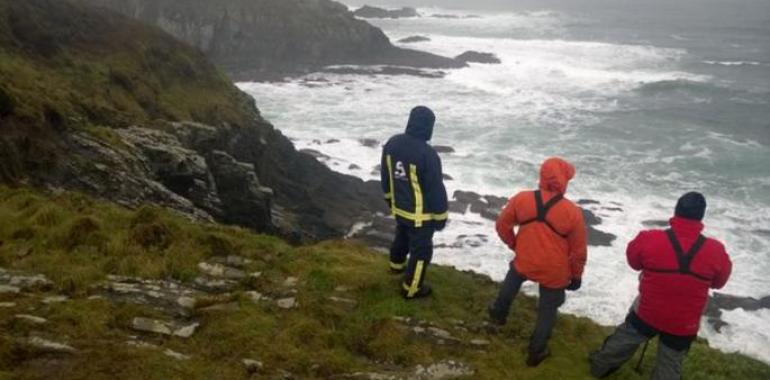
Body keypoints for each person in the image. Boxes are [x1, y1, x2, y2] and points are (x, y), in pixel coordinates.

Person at [589, 192, 732, 379]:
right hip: (684, 322)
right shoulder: (716, 250)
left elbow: (634, 262)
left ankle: (599, 367)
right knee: (670, 364)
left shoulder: (650, 238)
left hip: (648, 312)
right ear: (701, 216)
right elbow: (719, 283)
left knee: (625, 338)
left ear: (676, 211)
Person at [488, 157, 588, 367]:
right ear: (564, 181)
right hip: (554, 270)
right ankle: (536, 351)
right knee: (547, 309)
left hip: (525, 259)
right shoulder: (573, 212)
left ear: (542, 176)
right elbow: (578, 251)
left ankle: (498, 314)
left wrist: (514, 244)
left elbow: (502, 225)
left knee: (513, 275)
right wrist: (576, 275)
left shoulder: (522, 199)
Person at [380, 106, 449, 299]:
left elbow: (385, 174)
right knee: (422, 251)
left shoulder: (392, 143)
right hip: (421, 215)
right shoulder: (428, 154)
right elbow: (435, 189)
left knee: (401, 236)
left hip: (399, 207)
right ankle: (412, 288)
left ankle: (396, 266)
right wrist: (441, 217)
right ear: (428, 127)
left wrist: (389, 198)